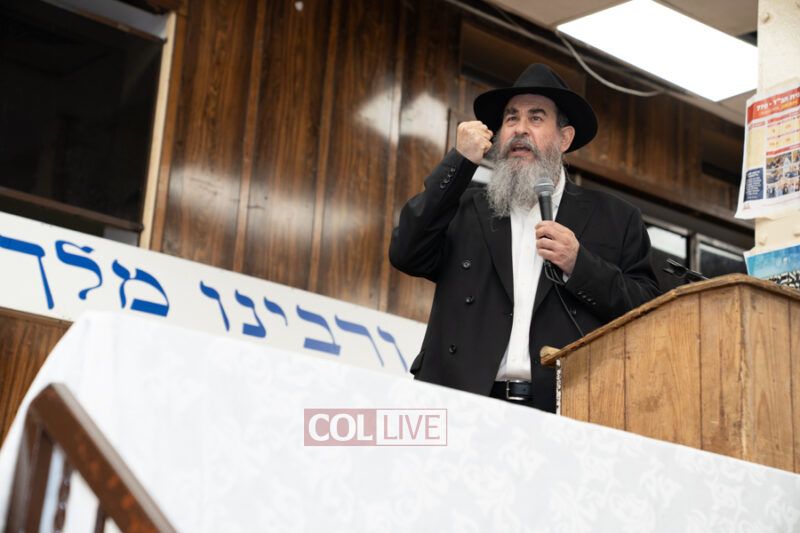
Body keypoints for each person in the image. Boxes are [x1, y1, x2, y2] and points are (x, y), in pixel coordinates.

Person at [389, 64, 660, 412]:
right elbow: (406, 252)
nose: (520, 129)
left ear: (564, 138)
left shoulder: (615, 218)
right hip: (458, 401)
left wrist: (580, 265)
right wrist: (459, 163)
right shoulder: (466, 207)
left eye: (536, 118)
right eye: (511, 118)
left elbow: (648, 310)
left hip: (562, 409)